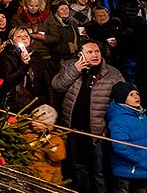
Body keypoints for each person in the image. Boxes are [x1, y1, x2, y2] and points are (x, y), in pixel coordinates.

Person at [52, 40, 124, 193]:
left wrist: (109, 126)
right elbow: (57, 86)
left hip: (98, 131)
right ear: (81, 54)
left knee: (99, 170)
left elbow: (121, 103)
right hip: (74, 128)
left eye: (97, 51)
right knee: (78, 167)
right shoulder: (70, 67)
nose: (95, 55)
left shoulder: (112, 73)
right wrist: (75, 70)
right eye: (90, 52)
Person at [107, 82, 147, 192]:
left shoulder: (142, 116)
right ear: (122, 98)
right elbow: (120, 146)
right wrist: (138, 159)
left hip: (142, 169)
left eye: (137, 93)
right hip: (128, 169)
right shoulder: (119, 120)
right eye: (131, 94)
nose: (136, 97)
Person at [22, 104, 65, 186]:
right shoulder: (28, 133)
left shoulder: (55, 139)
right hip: (29, 173)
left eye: (38, 120)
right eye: (33, 119)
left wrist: (47, 141)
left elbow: (58, 156)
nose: (33, 122)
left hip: (46, 178)